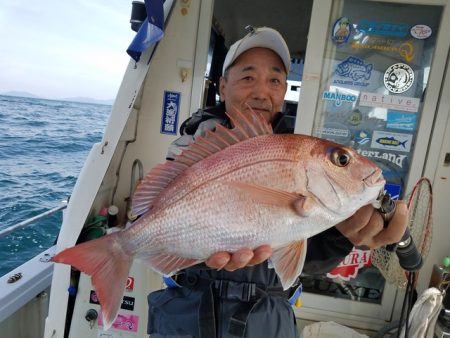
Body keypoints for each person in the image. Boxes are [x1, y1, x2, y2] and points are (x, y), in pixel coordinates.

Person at [147, 26, 408, 338]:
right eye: (247, 77)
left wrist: (340, 236)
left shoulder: (295, 151)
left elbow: (307, 259)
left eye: (274, 80)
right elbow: (158, 219)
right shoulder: (192, 146)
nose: (261, 91)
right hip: (189, 311)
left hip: (267, 318)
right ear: (222, 86)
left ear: (284, 90)